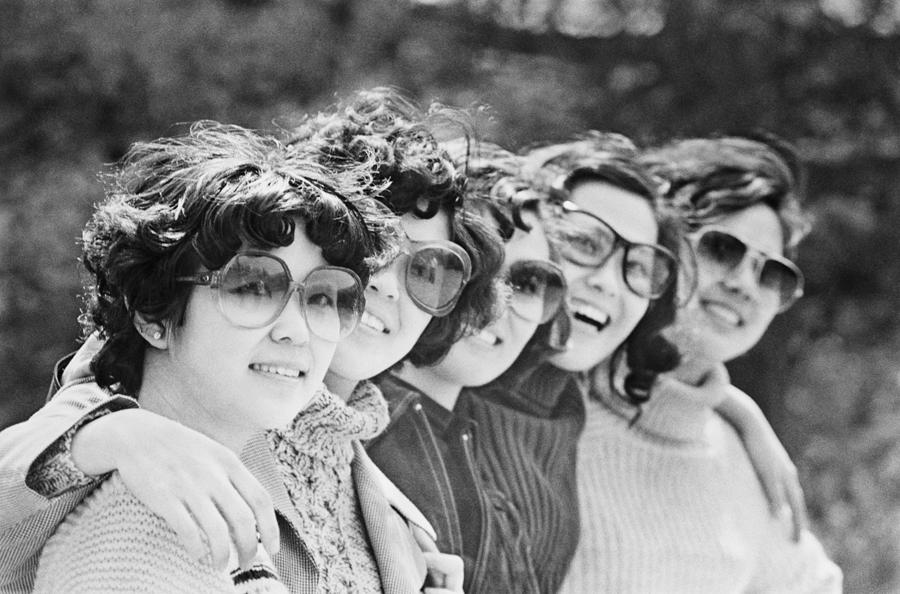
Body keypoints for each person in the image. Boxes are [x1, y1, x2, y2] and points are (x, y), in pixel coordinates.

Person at [0, 89, 490, 592]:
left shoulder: (394, 515)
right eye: (375, 253)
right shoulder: (158, 423)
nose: (386, 283)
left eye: (429, 268)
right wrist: (113, 436)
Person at [557, 135, 843, 592]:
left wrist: (735, 411)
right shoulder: (543, 404)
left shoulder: (744, 457)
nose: (744, 285)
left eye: (773, 273)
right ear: (658, 244)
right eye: (722, 249)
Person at [367, 141, 570, 592]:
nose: (502, 300)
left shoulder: (488, 428)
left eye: (531, 280)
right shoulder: (364, 426)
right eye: (479, 264)